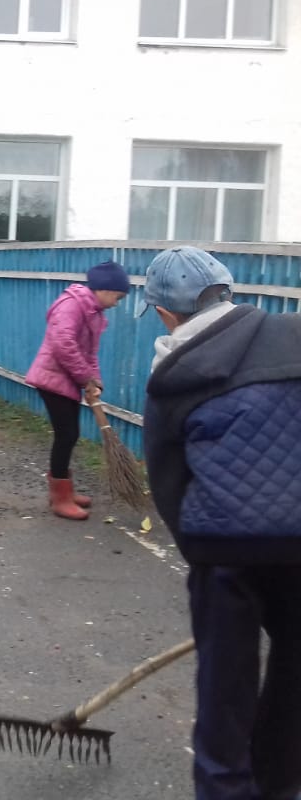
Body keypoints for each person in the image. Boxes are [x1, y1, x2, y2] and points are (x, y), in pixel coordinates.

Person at [139, 246, 301, 800]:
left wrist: (204, 558)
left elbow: (168, 480)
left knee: (224, 686)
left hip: (225, 549)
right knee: (294, 676)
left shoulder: (174, 369)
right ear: (228, 292)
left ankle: (225, 787)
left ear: (166, 313)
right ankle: (278, 785)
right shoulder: (293, 334)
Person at [24, 260, 130, 520]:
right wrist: (85, 379)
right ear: (104, 289)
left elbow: (90, 353)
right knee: (67, 434)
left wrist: (95, 382)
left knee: (70, 435)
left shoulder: (95, 313)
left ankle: (64, 490)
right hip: (52, 378)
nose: (117, 303)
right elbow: (63, 344)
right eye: (118, 297)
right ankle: (60, 498)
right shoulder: (71, 305)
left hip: (67, 379)